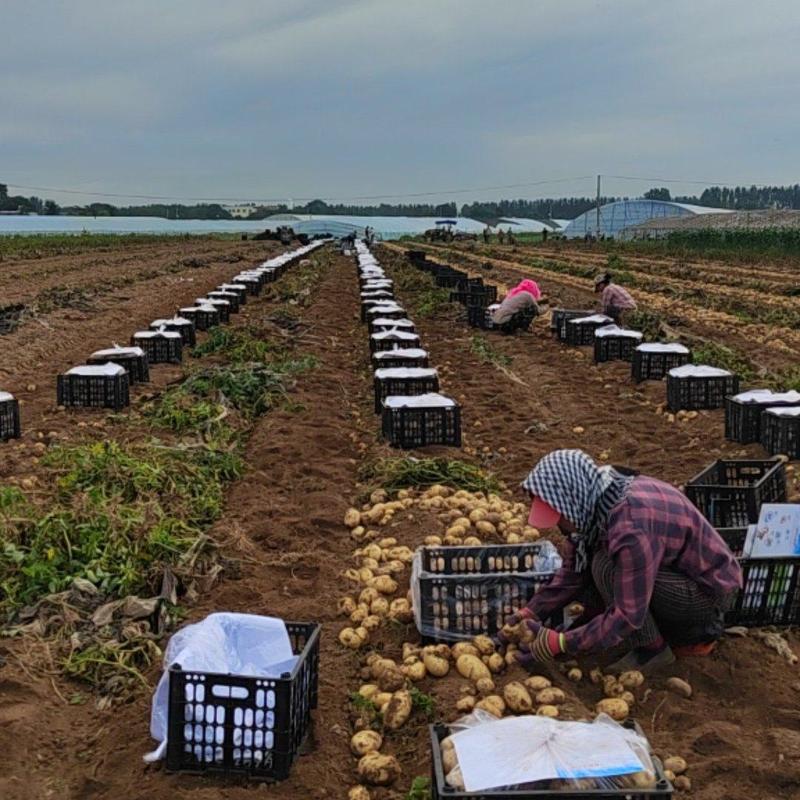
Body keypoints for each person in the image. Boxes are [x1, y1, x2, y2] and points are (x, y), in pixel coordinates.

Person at [504, 449, 742, 674]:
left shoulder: (629, 527)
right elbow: (572, 574)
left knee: (605, 568)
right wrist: (532, 610)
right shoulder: (597, 496)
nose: (558, 526)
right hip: (673, 573)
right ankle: (604, 627)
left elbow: (628, 614)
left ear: (571, 500)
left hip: (707, 593)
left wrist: (563, 642)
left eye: (559, 517)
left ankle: (653, 649)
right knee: (594, 564)